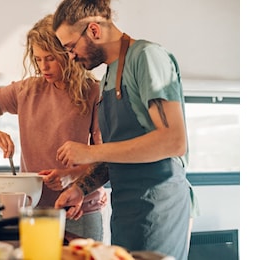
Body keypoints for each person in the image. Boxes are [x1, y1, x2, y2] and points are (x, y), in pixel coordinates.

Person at [51, 1, 199, 259]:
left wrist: (89, 152)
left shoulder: (147, 57)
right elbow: (120, 152)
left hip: (158, 208)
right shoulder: (108, 75)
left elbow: (173, 141)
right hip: (126, 212)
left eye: (71, 47)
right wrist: (80, 189)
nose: (71, 56)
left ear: (94, 30)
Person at [0, 14, 108, 241]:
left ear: (67, 52)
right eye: (38, 59)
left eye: (50, 58)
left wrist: (69, 177)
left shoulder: (93, 93)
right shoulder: (27, 90)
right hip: (34, 210)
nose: (43, 66)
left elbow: (105, 158)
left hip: (80, 210)